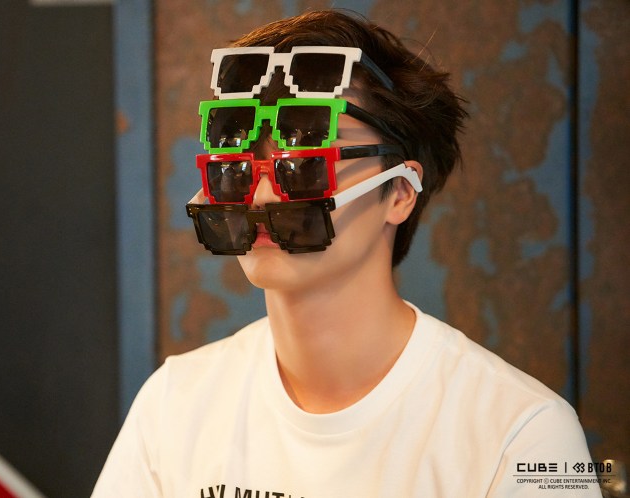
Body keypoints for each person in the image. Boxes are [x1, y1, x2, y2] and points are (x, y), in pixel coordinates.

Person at [93, 9, 600, 497]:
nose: (263, 195)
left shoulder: (520, 434)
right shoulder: (175, 404)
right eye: (240, 167)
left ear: (399, 191)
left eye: (304, 164)